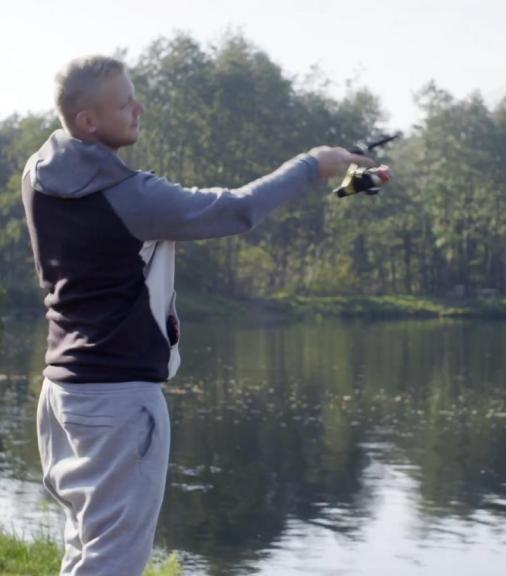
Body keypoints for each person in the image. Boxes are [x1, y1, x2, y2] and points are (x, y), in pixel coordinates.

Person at [21, 55, 380, 575]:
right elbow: (237, 209)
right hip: (118, 402)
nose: (139, 108)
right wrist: (312, 165)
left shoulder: (38, 173)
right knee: (113, 560)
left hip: (62, 397)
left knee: (87, 549)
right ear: (88, 122)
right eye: (125, 102)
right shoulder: (129, 196)